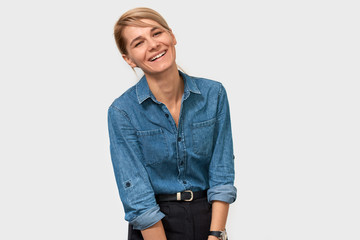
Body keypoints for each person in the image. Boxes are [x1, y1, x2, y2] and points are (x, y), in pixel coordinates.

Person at [107, 7, 237, 240]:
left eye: (156, 33)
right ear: (129, 59)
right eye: (138, 43)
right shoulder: (123, 112)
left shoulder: (213, 94)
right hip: (153, 225)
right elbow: (137, 194)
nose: (153, 44)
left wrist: (216, 234)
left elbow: (222, 171)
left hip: (208, 220)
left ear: (172, 36)